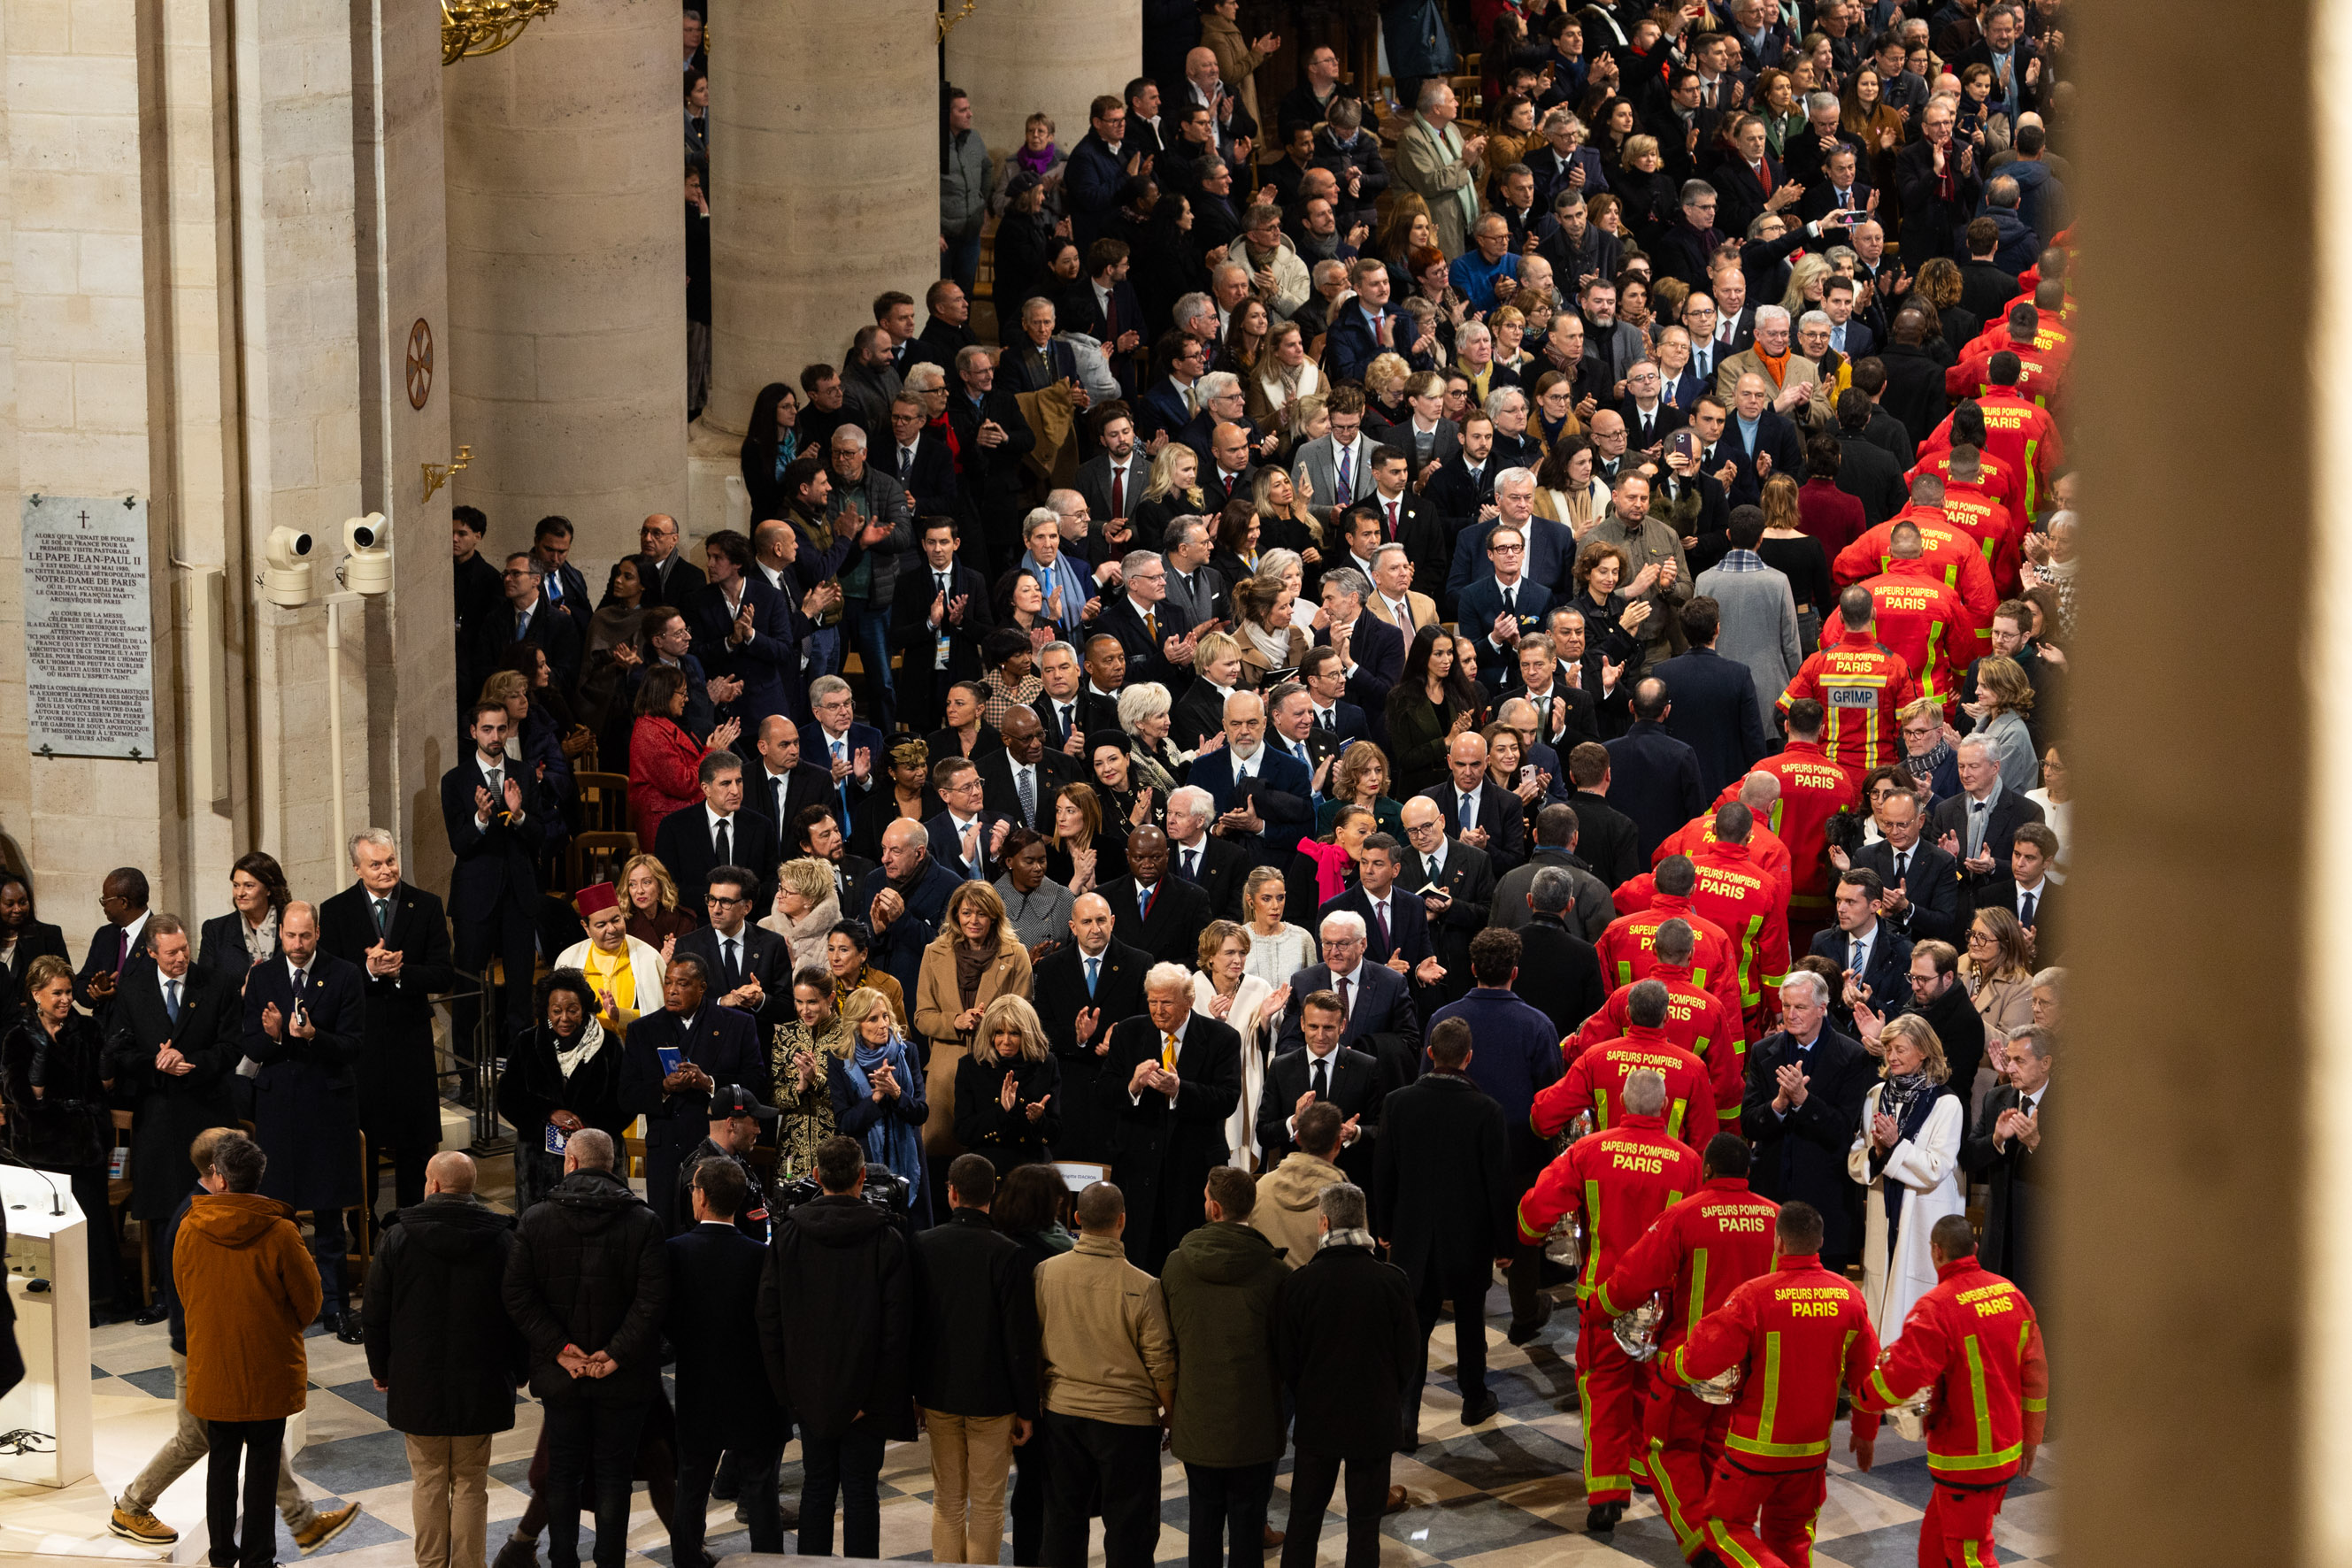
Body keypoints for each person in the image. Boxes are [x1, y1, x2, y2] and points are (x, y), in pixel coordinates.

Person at [1661, 1199, 1880, 1568]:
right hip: (1811, 1451)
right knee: (1792, 1537)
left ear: (1777, 1242)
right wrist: (1865, 1430)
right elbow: (1868, 1373)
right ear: (1821, 1242)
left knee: (1721, 1525)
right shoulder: (1849, 1297)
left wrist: (1669, 1368)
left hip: (1754, 1449)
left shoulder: (1754, 1296)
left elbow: (1702, 1356)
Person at [1595, 1134, 1782, 1553]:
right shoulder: (1775, 1218)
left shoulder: (1684, 1215)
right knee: (1720, 1457)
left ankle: (1703, 1546)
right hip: (1749, 1372)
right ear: (1748, 1172)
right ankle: (1728, 1540)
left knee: (1665, 1452)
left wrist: (1597, 1307)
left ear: (1707, 1170)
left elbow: (1635, 1278)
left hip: (1690, 1365)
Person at [503, 1128, 669, 1568]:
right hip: (624, 1375)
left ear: (571, 1163)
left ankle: (563, 1562)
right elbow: (653, 1301)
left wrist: (560, 1350)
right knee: (614, 1477)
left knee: (563, 1475)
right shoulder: (645, 1221)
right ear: (611, 1164)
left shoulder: (536, 1219)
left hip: (563, 1375)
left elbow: (517, 1295)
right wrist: (614, 1355)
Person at [1850, 1214, 2048, 1566]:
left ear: (1936, 1252)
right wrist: (2032, 1435)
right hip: (2005, 1448)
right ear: (1974, 1248)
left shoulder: (1936, 1308)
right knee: (1934, 1546)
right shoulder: (2011, 1294)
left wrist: (1863, 1398)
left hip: (1966, 1459)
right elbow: (2035, 1376)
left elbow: (1902, 1376)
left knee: (1969, 1555)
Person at [363, 1152, 526, 1568]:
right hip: (483, 1378)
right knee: (472, 1483)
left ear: (433, 1185)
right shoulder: (503, 1239)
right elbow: (521, 1313)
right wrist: (519, 1371)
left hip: (417, 1380)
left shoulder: (397, 1237)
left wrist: (381, 1370)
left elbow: (375, 1314)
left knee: (429, 1481)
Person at [175, 1134, 323, 1568]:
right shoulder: (280, 1232)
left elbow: (186, 1294)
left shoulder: (189, 1226)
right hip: (267, 1365)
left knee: (220, 1465)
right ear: (258, 1179)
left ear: (218, 1179)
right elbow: (309, 1302)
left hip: (214, 1363)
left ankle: (221, 1558)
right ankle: (258, 1560)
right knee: (262, 1467)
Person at [1376, 1016, 1511, 1436]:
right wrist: (1506, 1242)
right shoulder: (1486, 1110)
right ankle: (1474, 1399)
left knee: (1414, 1326)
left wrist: (1384, 1228)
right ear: (1468, 1058)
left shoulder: (1397, 1103)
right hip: (1468, 1240)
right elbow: (1498, 1184)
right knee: (1472, 1322)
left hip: (1412, 1237)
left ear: (1429, 1054)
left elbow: (1384, 1172)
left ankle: (1405, 1417)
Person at [239, 902, 366, 1340]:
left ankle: (334, 1306)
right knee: (279, 1214)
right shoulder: (263, 975)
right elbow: (251, 1045)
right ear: (281, 936)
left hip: (326, 1108)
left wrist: (313, 1037)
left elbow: (352, 1045)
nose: (297, 945)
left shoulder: (345, 974)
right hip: (278, 1109)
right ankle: (286, 1301)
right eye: (290, 937)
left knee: (328, 1214)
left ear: (317, 933)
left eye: (305, 936)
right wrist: (275, 1036)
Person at [1035, 1180, 1178, 1568]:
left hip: (1062, 1414)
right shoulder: (1143, 1286)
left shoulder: (1045, 1273)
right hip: (1127, 1423)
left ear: (1077, 1219)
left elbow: (1033, 1344)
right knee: (1130, 1528)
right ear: (1123, 1221)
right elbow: (1160, 1362)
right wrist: (1172, 1416)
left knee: (1063, 1520)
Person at [101, 918, 234, 1324]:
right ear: (151, 953)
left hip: (206, 1112)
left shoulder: (217, 984)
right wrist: (157, 1064)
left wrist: (190, 1063)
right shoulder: (132, 990)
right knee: (162, 1210)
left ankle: (216, 1288)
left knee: (210, 1205)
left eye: (184, 948)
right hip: (156, 1116)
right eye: (172, 952)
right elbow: (120, 1052)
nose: (181, 958)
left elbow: (232, 1047)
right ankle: (165, 1294)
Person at [319, 827, 456, 1213]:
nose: (386, 870)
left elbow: (443, 974)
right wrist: (367, 968)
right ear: (357, 869)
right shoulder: (335, 911)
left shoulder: (426, 905)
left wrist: (400, 973)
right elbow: (327, 980)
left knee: (414, 1141)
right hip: (360, 1043)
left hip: (409, 1037)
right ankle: (362, 1230)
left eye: (391, 861)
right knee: (364, 1139)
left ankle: (412, 1220)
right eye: (375, 864)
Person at [912, 1154, 1038, 1565]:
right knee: (986, 1506)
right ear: (993, 1195)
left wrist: (915, 1391)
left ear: (950, 1193)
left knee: (947, 1502)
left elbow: (914, 1327)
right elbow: (1019, 1340)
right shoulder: (1009, 1253)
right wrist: (1027, 1407)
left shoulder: (924, 1245)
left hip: (939, 1392)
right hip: (993, 1397)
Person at [664, 1157, 790, 1567]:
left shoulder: (674, 1253)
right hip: (754, 1390)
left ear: (700, 1198)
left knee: (693, 1485)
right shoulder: (761, 1256)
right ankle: (769, 1562)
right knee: (760, 1490)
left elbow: (665, 1321)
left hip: (698, 1387)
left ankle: (687, 1558)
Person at [1162, 1165, 1289, 1568]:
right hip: (1255, 1421)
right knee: (1249, 1525)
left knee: (1203, 1521)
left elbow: (1166, 1344)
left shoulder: (1176, 1266)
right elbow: (1287, 1352)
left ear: (1213, 1208)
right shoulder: (1276, 1273)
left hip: (1197, 1417)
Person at [1097, 963, 1242, 1270]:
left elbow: (1227, 1099)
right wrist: (1132, 1086)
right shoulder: (1128, 1032)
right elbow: (1104, 1093)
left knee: (1188, 1262)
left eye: (1167, 1002)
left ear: (1189, 1000)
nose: (1158, 1010)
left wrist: (1180, 1090)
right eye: (1152, 1001)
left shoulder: (1222, 1038)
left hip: (1192, 1174)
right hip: (1138, 1173)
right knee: (1138, 1261)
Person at [620, 954, 765, 1234]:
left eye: (682, 983)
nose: (672, 990)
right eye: (668, 983)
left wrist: (709, 1083)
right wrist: (663, 1088)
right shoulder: (643, 1030)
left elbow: (756, 1083)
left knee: (716, 1231)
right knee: (667, 1233)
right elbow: (626, 1096)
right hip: (666, 1154)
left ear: (702, 987)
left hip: (717, 1151)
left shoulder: (738, 1024)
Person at [1741, 969, 1873, 1273]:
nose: (1790, 1014)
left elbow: (1843, 1131)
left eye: (1800, 1007)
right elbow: (1748, 1124)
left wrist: (1803, 1101)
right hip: (1771, 1198)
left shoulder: (1852, 1056)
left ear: (1822, 1008)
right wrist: (1778, 1105)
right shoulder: (1763, 1052)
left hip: (1826, 1204)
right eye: (1786, 1006)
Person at [1847, 1011, 1966, 1343]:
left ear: (1924, 1051)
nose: (1892, 1057)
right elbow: (1858, 1155)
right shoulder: (1875, 1095)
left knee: (1914, 1298)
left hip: (1923, 1213)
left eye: (1901, 1049)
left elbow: (1936, 1168)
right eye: (1888, 1049)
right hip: (1883, 1209)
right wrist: (1878, 1154)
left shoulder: (1946, 1104)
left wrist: (1895, 1146)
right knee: (1879, 1290)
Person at [444, 701, 551, 1067]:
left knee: (521, 990)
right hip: (475, 898)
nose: (495, 737)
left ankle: (521, 1069)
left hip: (519, 898)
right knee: (469, 990)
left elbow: (540, 836)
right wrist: (480, 818)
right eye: (487, 729)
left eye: (501, 729)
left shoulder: (522, 773)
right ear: (472, 731)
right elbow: (458, 843)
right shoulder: (455, 780)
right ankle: (467, 1072)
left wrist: (519, 814)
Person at [497, 972, 631, 1214]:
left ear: (585, 1009)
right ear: (546, 1011)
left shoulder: (609, 1044)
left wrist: (587, 1129)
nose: (564, 1018)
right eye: (556, 1010)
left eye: (572, 1010)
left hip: (597, 1162)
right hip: (538, 1165)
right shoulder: (526, 1042)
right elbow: (508, 1098)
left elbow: (625, 1100)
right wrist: (548, 1113)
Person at [1779, 584, 1922, 784]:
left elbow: (1785, 714)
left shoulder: (1817, 663)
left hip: (1828, 776)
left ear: (1840, 618)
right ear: (1874, 613)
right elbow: (1908, 727)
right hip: (1878, 779)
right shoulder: (1894, 665)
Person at [1961, 1022, 2051, 1308]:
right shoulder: (1995, 1099)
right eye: (2009, 1059)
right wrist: (1997, 1139)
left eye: (2019, 1060)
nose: (2009, 1068)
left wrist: (2036, 1143)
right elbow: (1969, 1158)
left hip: (2043, 1246)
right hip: (1998, 1243)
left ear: (2045, 1063)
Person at [555, 882, 666, 1037]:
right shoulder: (569, 959)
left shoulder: (648, 958)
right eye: (601, 925)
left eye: (616, 920)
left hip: (634, 1051)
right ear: (586, 928)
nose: (612, 929)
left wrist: (620, 1016)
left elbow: (660, 1018)